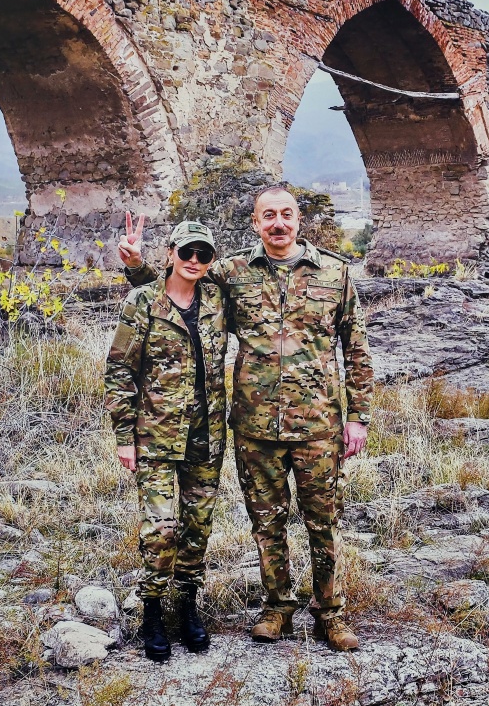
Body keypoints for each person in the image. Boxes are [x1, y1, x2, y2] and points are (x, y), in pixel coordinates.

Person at [118, 188, 373, 651]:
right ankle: (277, 610)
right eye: (268, 216)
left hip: (319, 426)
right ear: (255, 223)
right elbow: (177, 285)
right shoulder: (232, 271)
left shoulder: (335, 273)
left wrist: (358, 417)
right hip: (255, 429)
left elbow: (356, 348)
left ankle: (330, 613)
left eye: (287, 215)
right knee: (267, 524)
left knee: (323, 521)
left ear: (300, 220)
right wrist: (136, 265)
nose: (278, 223)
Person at [105, 219, 229, 662]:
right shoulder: (141, 302)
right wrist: (124, 436)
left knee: (197, 528)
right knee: (161, 530)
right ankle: (153, 612)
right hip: (155, 435)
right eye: (187, 252)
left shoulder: (217, 299)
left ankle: (188, 608)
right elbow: (119, 371)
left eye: (203, 254)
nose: (194, 261)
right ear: (171, 251)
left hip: (207, 435)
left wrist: (139, 265)